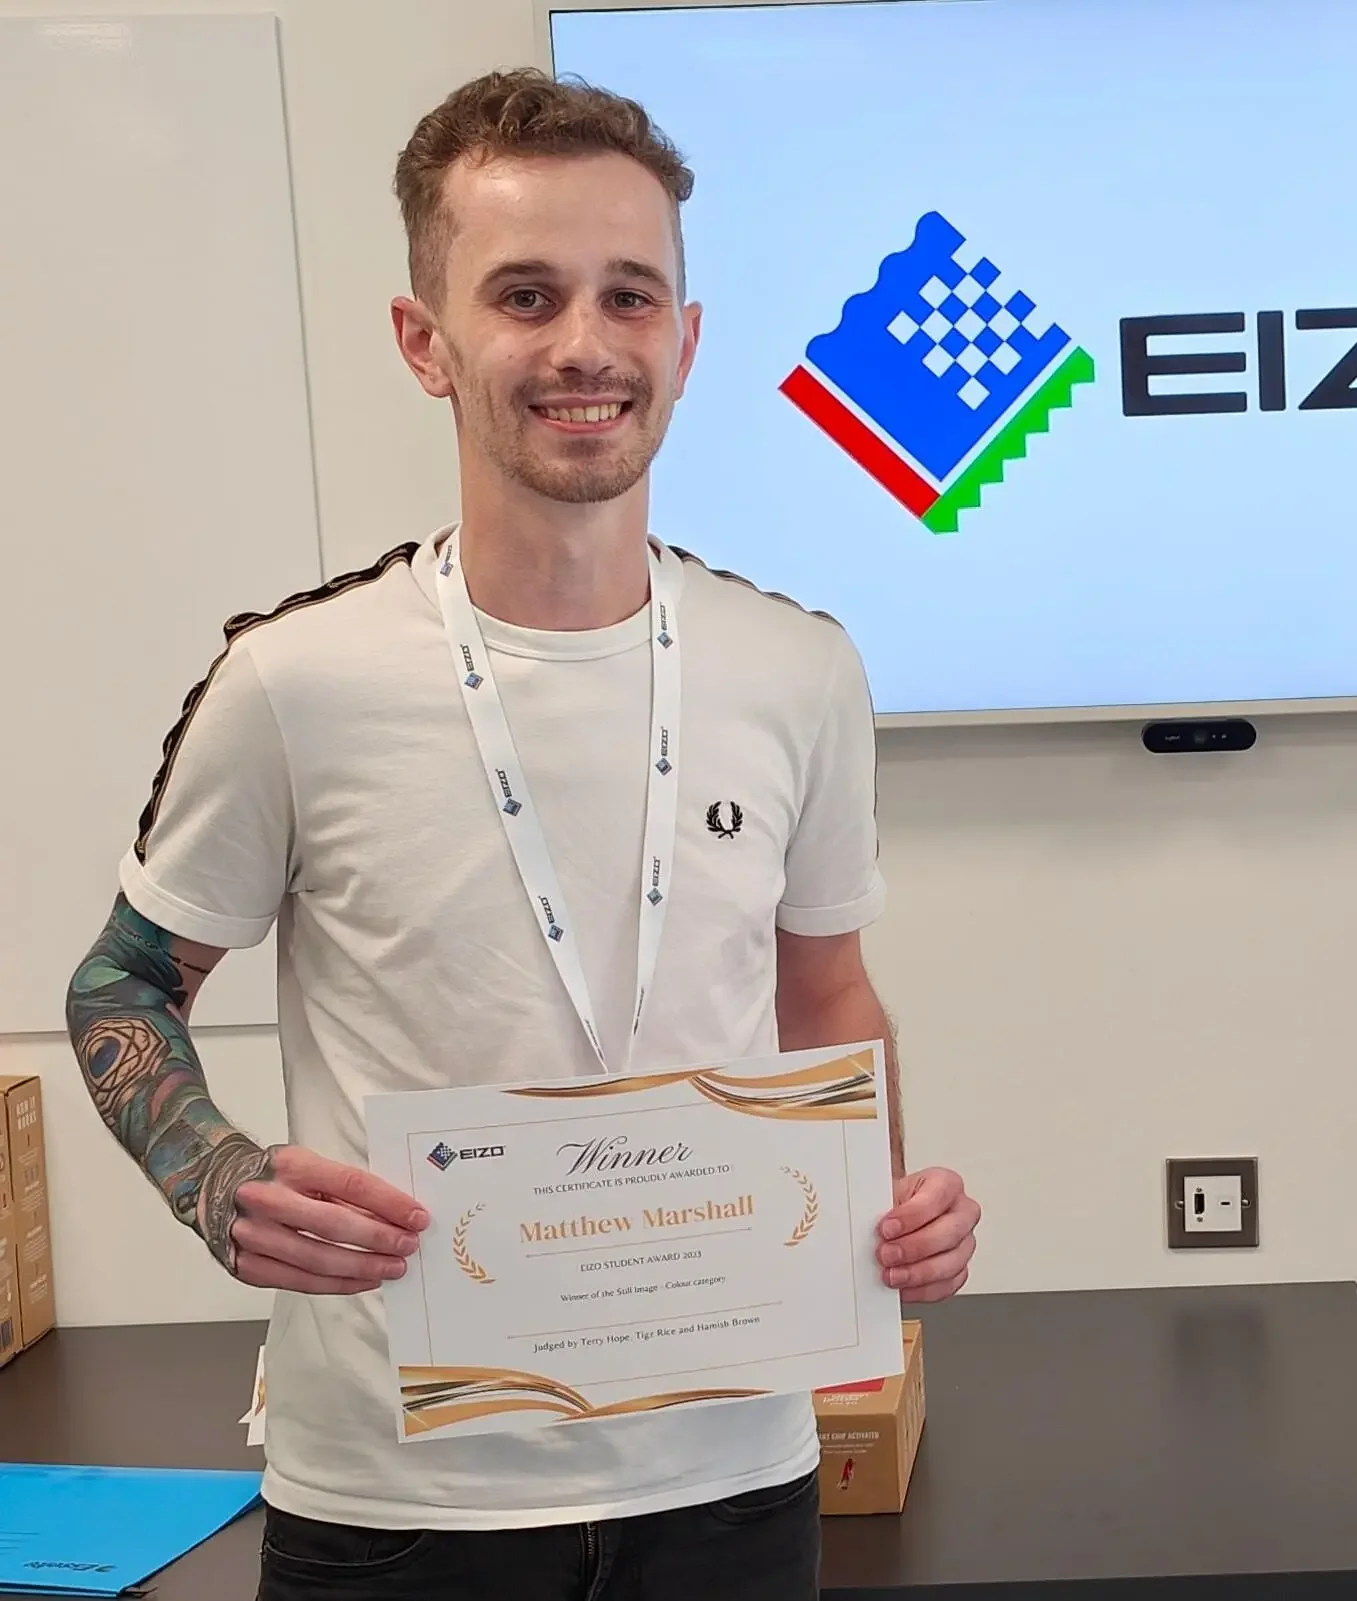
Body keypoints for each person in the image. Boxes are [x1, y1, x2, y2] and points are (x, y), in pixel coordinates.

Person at [64, 69, 980, 1601]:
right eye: (525, 293)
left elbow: (825, 992)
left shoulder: (799, 670)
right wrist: (214, 1175)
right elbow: (120, 990)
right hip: (398, 1492)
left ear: (684, 343)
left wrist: (886, 1227)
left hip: (735, 1477)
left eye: (630, 296)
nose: (583, 346)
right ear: (426, 340)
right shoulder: (296, 682)